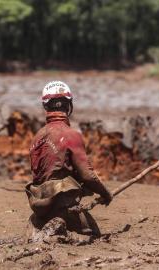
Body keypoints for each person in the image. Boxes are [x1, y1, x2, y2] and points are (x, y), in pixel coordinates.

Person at [26, 81, 112, 236]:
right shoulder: (71, 135)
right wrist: (105, 193)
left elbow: (41, 176)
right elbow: (88, 176)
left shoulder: (36, 137)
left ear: (46, 106)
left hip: (39, 212)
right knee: (94, 235)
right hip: (65, 211)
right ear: (69, 105)